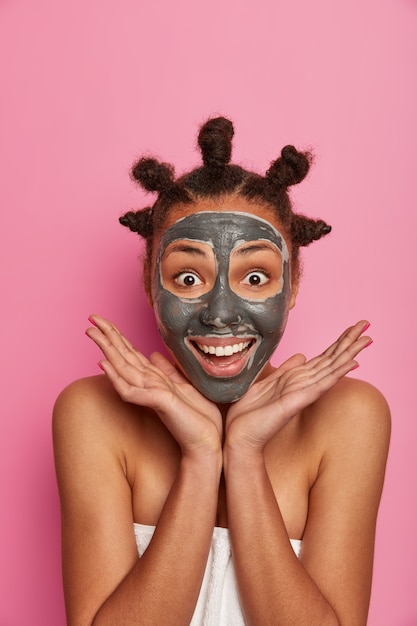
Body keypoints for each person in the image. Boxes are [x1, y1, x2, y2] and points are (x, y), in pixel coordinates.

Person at [53, 117, 390, 626]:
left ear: (292, 285)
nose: (220, 314)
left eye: (255, 277)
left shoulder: (350, 418)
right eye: (188, 277)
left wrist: (246, 452)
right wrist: (200, 455)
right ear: (150, 283)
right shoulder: (92, 414)